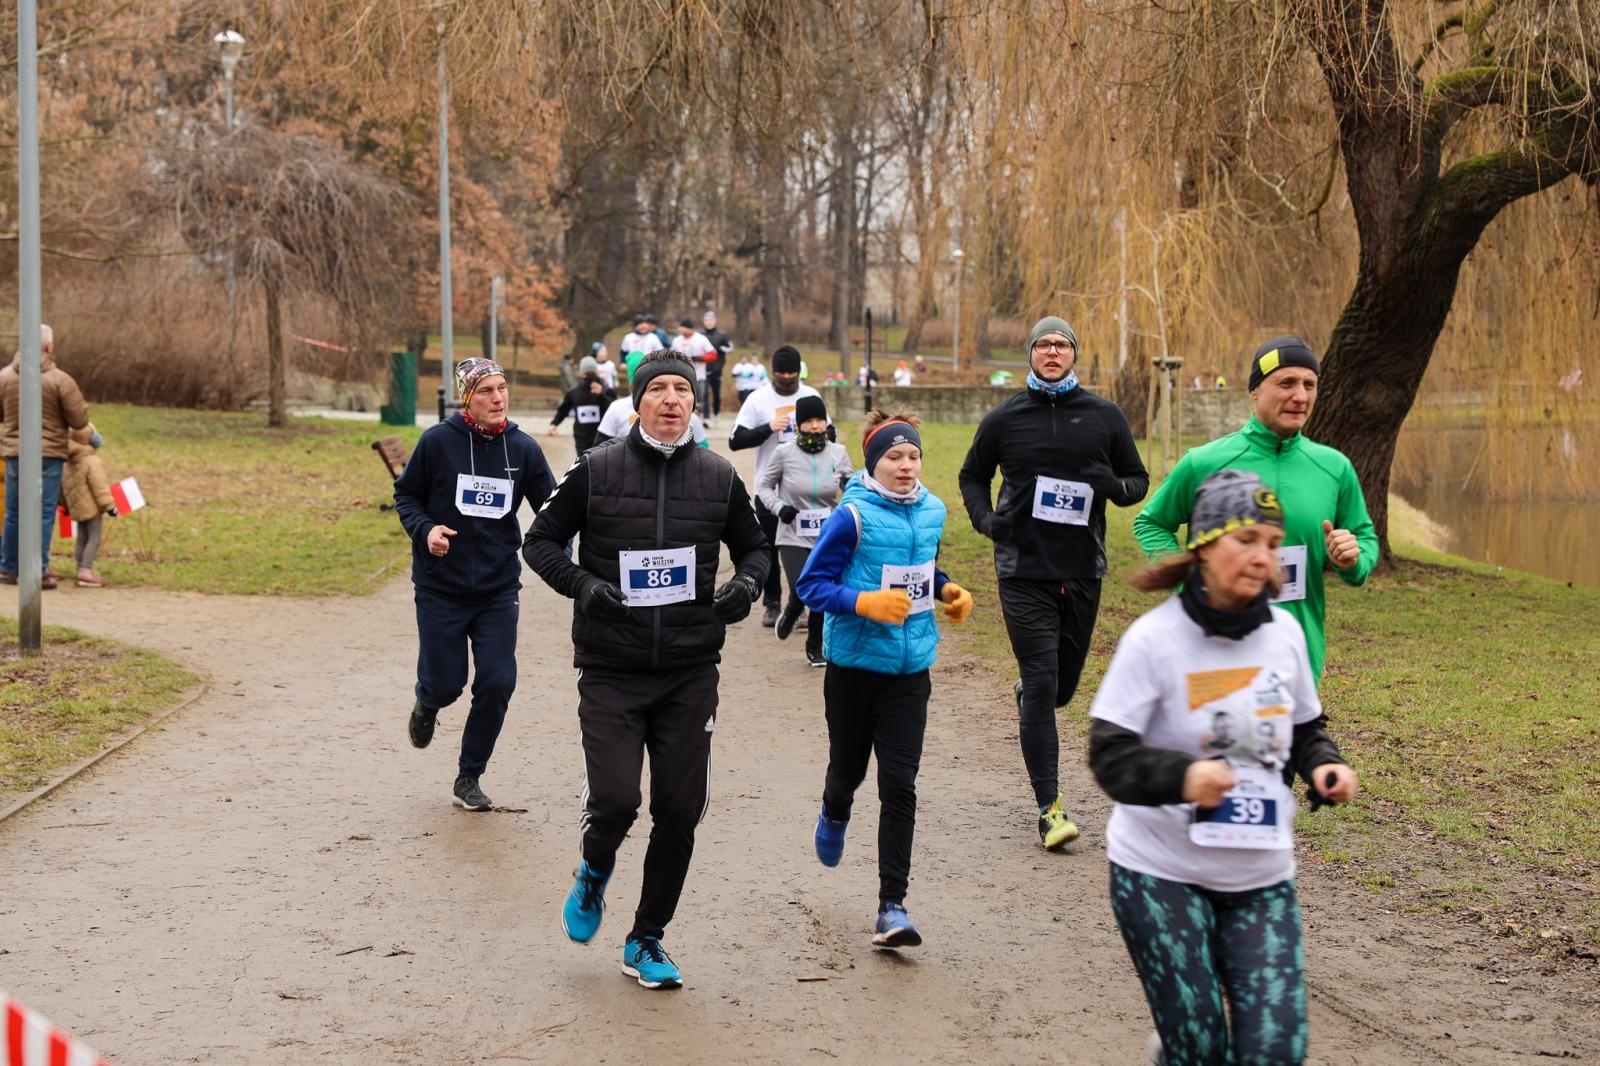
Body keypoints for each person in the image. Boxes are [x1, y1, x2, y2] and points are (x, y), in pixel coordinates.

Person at [1088, 468, 1358, 1066]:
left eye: (1271, 542)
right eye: (1246, 540)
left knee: (1276, 1049)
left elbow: (1303, 727)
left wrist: (1324, 766)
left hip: (1259, 877)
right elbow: (1109, 756)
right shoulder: (1153, 640)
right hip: (1161, 873)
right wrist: (1184, 777)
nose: (1263, 557)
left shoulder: (1285, 634)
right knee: (1200, 1049)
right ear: (1206, 544)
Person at [522, 350, 769, 991]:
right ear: (637, 403)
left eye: (679, 390)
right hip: (611, 665)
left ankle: (646, 938)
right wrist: (580, 584)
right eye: (655, 389)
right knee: (615, 800)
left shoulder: (718, 477)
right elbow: (540, 541)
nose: (669, 399)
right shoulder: (596, 470)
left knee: (680, 809)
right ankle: (594, 871)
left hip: (689, 669)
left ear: (694, 402)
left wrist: (745, 586)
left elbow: (755, 549)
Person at [957, 315, 1149, 850]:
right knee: (1042, 683)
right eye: (1042, 344)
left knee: (1060, 690)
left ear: (1074, 355)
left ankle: (1033, 693)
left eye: (1061, 344)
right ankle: (1049, 808)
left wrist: (1111, 485)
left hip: (1082, 569)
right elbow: (973, 474)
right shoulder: (1006, 418)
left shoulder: (1104, 416)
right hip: (1022, 568)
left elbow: (1137, 482)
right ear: (1030, 354)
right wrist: (984, 520)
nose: (1051, 351)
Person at [796, 409, 974, 948]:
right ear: (874, 462)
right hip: (853, 669)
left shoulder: (934, 510)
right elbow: (812, 586)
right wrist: (864, 602)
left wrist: (946, 591)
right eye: (894, 456)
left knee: (900, 784)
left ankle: (892, 907)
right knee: (848, 772)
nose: (906, 465)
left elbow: (924, 568)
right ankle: (834, 807)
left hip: (910, 671)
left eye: (914, 455)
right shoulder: (851, 517)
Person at [1132, 335, 1378, 683]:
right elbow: (1152, 523)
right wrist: (1189, 584)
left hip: (1298, 656)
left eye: (1310, 384)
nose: (1300, 396)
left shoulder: (1334, 467)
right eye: (1286, 383)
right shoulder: (1205, 462)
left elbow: (1364, 538)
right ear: (1255, 390)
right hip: (1214, 647)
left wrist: (1353, 559)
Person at [394, 357, 556, 811]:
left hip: (497, 589)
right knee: (447, 685)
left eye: (502, 388)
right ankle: (427, 702)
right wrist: (426, 530)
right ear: (467, 398)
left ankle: (470, 776)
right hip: (440, 587)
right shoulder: (438, 443)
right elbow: (406, 496)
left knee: (499, 680)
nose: (498, 398)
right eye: (486, 391)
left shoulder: (522, 449)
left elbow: (553, 508)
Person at [731, 345, 825, 627]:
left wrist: (809, 429)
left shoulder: (810, 395)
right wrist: (768, 427)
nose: (786, 377)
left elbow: (829, 431)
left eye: (792, 372)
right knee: (769, 547)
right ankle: (772, 603)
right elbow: (736, 440)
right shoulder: (758, 399)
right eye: (781, 372)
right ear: (772, 372)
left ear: (799, 371)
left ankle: (805, 605)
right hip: (769, 488)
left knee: (808, 549)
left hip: (808, 488)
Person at [756, 394, 853, 666]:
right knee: (802, 586)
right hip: (793, 532)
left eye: (819, 420)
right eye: (808, 421)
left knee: (820, 589)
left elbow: (852, 485)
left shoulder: (838, 452)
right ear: (798, 425)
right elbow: (764, 487)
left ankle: (815, 646)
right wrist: (779, 507)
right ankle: (792, 608)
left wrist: (849, 485)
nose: (814, 426)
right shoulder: (783, 453)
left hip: (828, 533)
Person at [0, 324, 88, 589]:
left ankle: (8, 568)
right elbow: (79, 418)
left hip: (16, 454)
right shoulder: (61, 380)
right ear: (48, 346)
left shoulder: (4, 376)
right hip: (49, 455)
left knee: (13, 512)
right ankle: (38, 568)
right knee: (44, 513)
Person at [61, 423, 116, 588]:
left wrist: (67, 506)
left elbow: (64, 488)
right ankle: (86, 570)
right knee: (94, 538)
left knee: (82, 538)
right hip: (92, 509)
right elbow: (100, 487)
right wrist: (109, 506)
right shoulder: (92, 461)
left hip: (76, 508)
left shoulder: (68, 462)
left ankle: (79, 569)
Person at [549, 356, 615, 457]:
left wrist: (602, 394)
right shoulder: (574, 392)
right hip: (582, 438)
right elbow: (564, 409)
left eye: (591, 374)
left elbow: (614, 409)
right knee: (584, 466)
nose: (589, 377)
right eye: (588, 374)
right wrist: (554, 423)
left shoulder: (605, 389)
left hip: (601, 437)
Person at [595, 393, 710, 450]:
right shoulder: (617, 407)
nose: (671, 401)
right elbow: (599, 445)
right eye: (657, 389)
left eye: (681, 389)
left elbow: (702, 447)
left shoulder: (691, 418)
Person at [671, 317, 718, 422]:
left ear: (688, 328)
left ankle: (696, 419)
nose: (679, 329)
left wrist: (700, 358)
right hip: (681, 375)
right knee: (683, 397)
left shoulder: (701, 339)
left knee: (699, 399)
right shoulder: (677, 340)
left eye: (681, 327)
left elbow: (713, 355)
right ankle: (684, 418)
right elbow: (671, 354)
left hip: (698, 375)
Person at [699, 311, 732, 424]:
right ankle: (706, 417)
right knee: (704, 394)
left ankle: (716, 413)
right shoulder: (700, 335)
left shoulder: (722, 334)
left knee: (716, 393)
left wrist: (720, 349)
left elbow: (730, 348)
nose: (709, 322)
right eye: (707, 320)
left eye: (711, 320)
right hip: (703, 369)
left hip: (717, 369)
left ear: (715, 322)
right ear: (704, 322)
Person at [620, 315, 664, 383]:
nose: (643, 328)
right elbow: (623, 352)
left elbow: (661, 352)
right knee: (633, 384)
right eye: (640, 325)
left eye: (644, 326)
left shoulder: (653, 337)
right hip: (633, 367)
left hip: (649, 366)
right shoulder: (628, 337)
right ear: (635, 326)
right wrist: (622, 362)